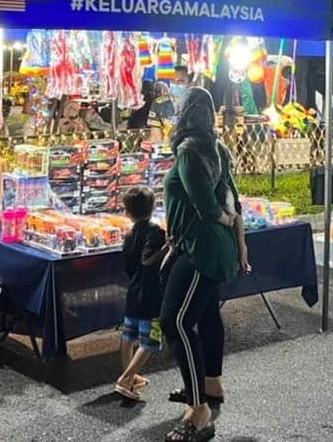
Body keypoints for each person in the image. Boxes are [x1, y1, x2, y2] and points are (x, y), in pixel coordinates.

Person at [161, 87, 247, 442]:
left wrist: (225, 223)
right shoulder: (218, 147)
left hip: (202, 248)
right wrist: (240, 243)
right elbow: (232, 198)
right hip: (216, 247)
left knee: (175, 320)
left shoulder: (189, 151)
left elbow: (207, 206)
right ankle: (210, 383)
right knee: (207, 314)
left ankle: (199, 409)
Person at [114, 186, 168, 402]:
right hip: (152, 294)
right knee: (149, 340)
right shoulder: (156, 232)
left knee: (128, 336)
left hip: (133, 293)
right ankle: (125, 379)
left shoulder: (129, 235)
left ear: (127, 212)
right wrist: (168, 248)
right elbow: (148, 259)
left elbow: (128, 266)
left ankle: (131, 374)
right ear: (154, 207)